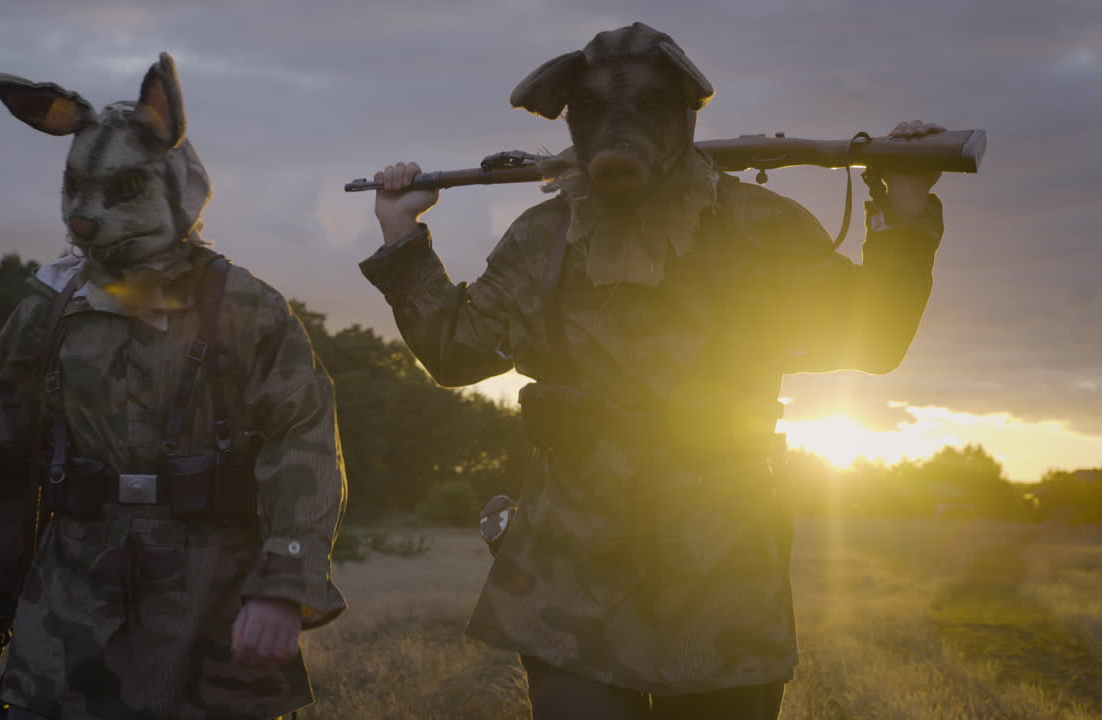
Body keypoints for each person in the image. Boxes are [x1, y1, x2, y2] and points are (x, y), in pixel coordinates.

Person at [360, 22, 945, 720]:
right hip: (567, 575)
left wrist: (905, 208)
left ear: (683, 115)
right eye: (596, 109)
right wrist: (401, 234)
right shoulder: (543, 237)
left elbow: (872, 337)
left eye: (643, 106)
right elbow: (456, 352)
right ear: (574, 122)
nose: (619, 126)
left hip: (722, 572)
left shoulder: (760, 227)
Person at [0, 53, 346, 720]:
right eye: (77, 189)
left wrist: (282, 585)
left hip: (211, 607)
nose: (85, 215)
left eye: (123, 189)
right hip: (70, 606)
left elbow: (303, 445)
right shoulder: (46, 313)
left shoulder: (247, 308)